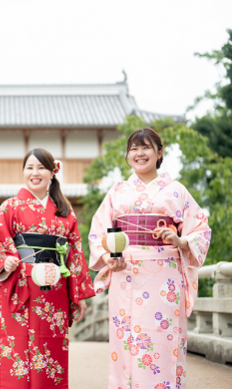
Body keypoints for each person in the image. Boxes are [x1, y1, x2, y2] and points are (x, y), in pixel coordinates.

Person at [89, 128, 211, 389]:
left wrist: (179, 240)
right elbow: (97, 231)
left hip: (164, 274)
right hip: (125, 271)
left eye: (146, 147)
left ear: (159, 153)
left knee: (163, 337)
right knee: (125, 340)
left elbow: (201, 228)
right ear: (127, 155)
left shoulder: (176, 190)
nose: (139, 153)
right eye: (133, 149)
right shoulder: (118, 191)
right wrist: (110, 257)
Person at [0, 148, 95, 388]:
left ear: (52, 173)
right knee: (16, 348)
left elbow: (75, 254)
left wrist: (80, 295)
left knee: (50, 351)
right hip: (20, 288)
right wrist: (7, 261)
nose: (34, 173)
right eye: (29, 168)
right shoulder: (9, 207)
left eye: (41, 168)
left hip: (53, 291)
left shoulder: (65, 212)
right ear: (23, 171)